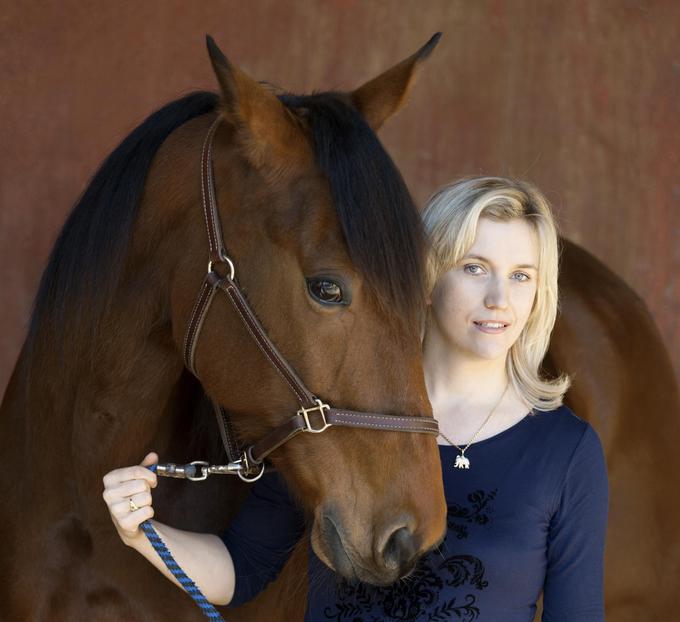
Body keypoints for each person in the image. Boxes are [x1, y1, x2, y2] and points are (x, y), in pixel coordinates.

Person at [103, 176, 608, 621]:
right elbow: (241, 569)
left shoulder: (566, 450)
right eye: (474, 268)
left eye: (522, 275)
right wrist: (142, 533)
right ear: (426, 279)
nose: (500, 298)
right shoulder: (340, 412)